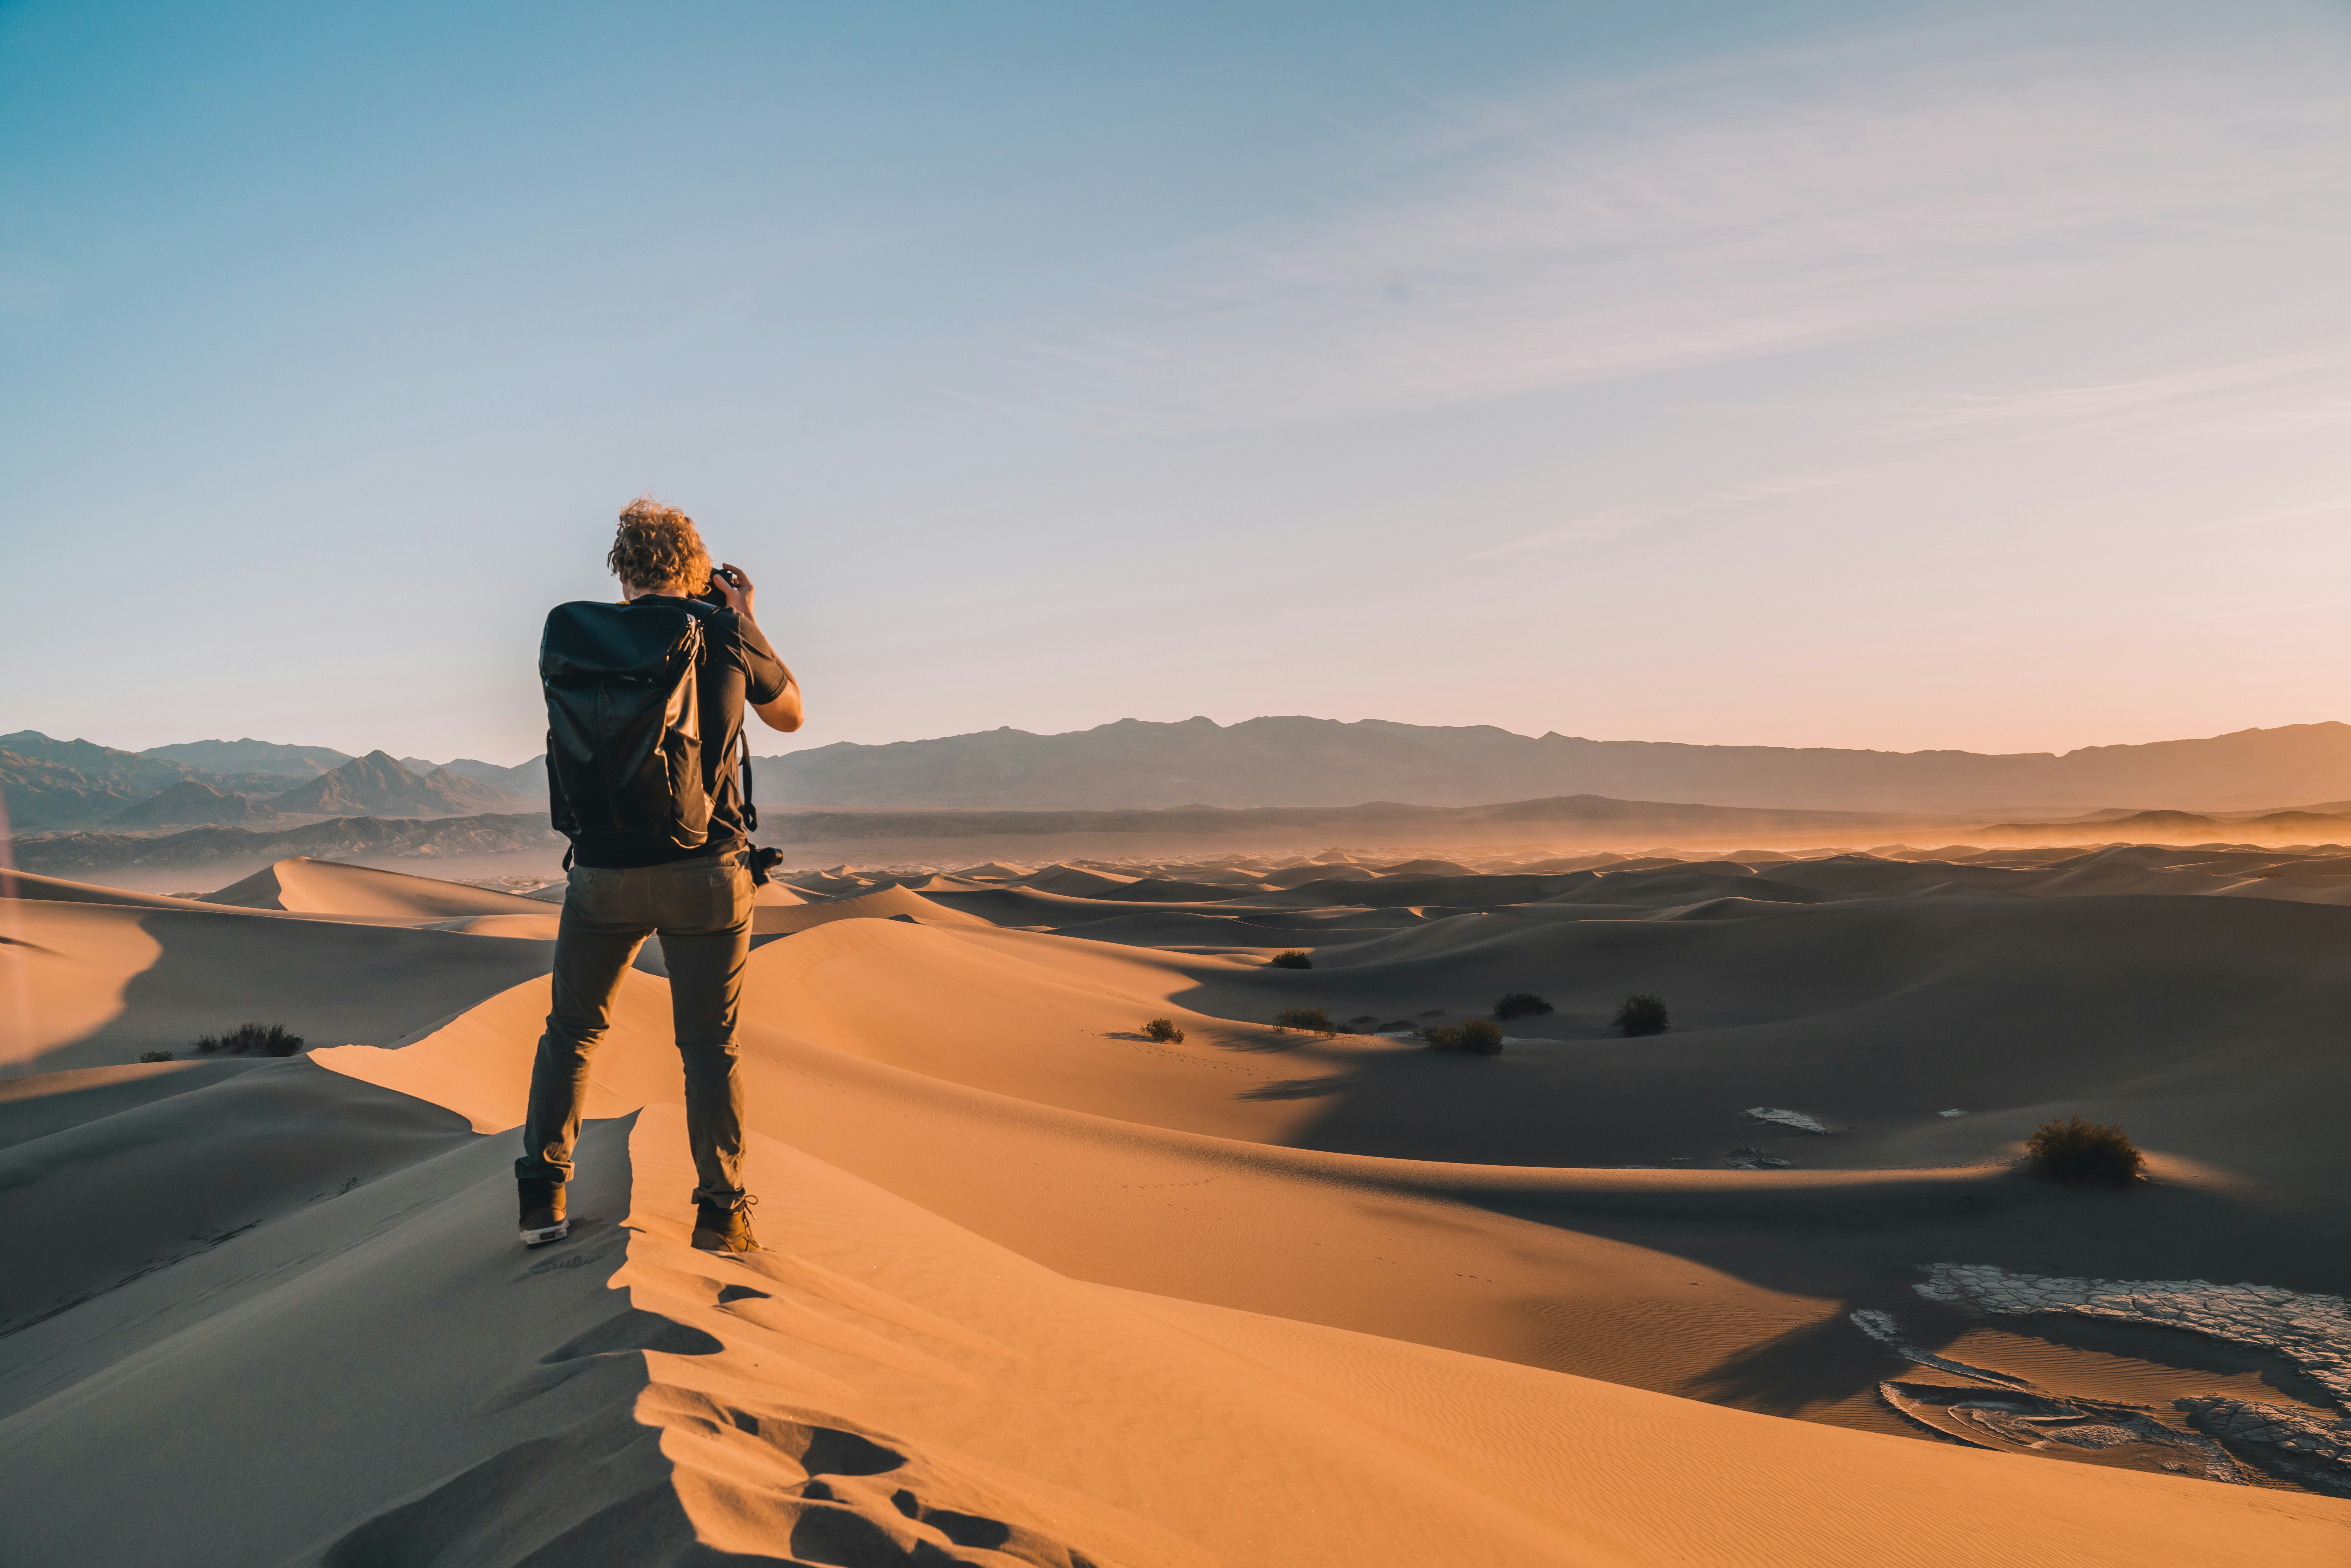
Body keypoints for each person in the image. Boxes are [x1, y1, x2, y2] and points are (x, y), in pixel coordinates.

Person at [515, 497, 802, 1252]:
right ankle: (721, 1212)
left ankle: (541, 1200)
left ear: (623, 569)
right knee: (709, 1046)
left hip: (601, 871)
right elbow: (790, 715)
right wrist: (743, 613)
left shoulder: (579, 634)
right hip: (705, 874)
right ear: (695, 567)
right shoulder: (721, 629)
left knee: (572, 1033)